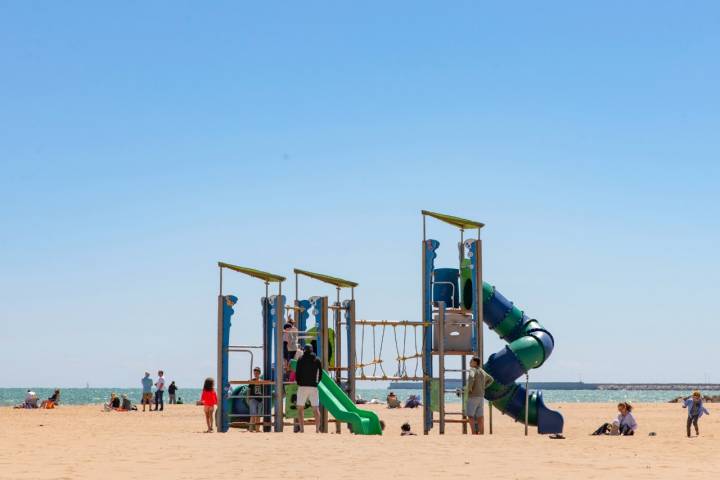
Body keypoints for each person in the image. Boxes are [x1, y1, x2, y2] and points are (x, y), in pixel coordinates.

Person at [295, 344, 322, 433]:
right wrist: (317, 383)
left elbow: (297, 373)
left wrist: (299, 382)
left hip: (302, 387)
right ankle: (317, 429)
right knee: (315, 409)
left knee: (300, 408)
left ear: (304, 350)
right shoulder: (317, 360)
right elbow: (320, 373)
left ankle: (302, 429)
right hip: (313, 387)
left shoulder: (300, 359)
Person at [466, 356, 494, 435]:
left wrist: (469, 388)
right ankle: (481, 433)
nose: (470, 362)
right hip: (481, 396)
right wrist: (484, 387)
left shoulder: (473, 369)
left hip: (473, 396)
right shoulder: (482, 371)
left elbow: (471, 377)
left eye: (471, 360)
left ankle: (474, 433)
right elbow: (491, 379)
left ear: (475, 362)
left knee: (470, 416)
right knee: (480, 416)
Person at [248, 367, 264, 432]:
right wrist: (248, 398)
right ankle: (251, 429)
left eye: (257, 373)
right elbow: (249, 390)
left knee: (258, 415)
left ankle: (257, 429)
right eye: (255, 373)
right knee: (253, 415)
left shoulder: (262, 381)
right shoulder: (252, 381)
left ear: (259, 373)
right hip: (253, 399)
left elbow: (263, 390)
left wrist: (263, 398)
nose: (256, 374)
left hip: (260, 399)